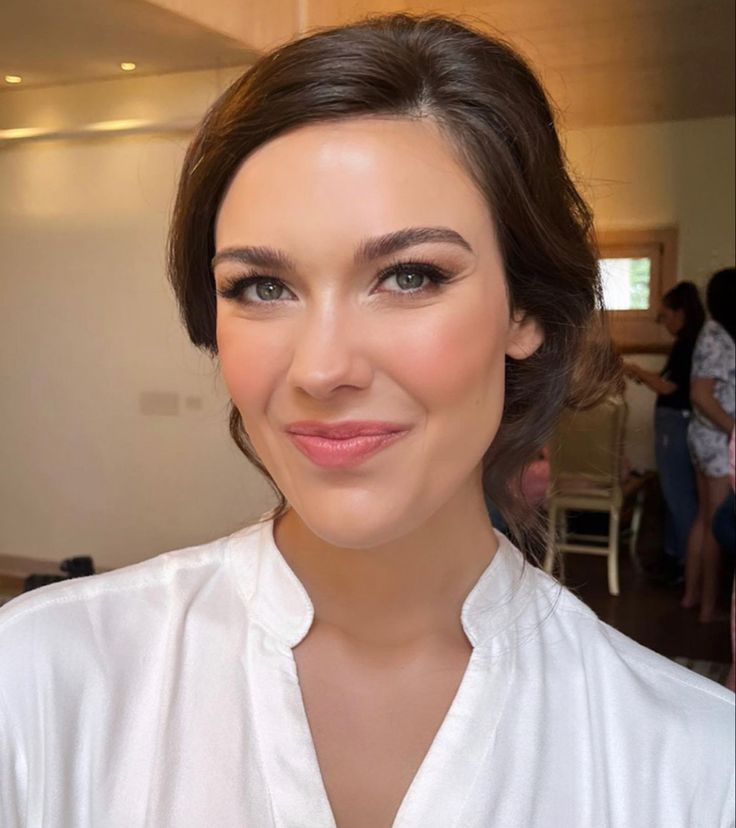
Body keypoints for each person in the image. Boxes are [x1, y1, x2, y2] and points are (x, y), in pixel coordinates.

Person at [1, 15, 733, 828]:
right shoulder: (44, 679)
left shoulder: (691, 762)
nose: (320, 369)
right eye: (261, 287)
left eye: (410, 276)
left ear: (524, 307)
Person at [623, 282, 705, 580]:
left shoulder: (689, 344)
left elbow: (669, 386)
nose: (664, 323)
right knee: (674, 492)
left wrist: (636, 370)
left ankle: (686, 563)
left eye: (665, 316)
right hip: (675, 421)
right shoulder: (687, 343)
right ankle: (675, 557)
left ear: (680, 313)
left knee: (678, 492)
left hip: (676, 423)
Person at [682, 268, 736, 623]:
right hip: (716, 441)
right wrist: (735, 429)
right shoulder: (719, 338)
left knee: (704, 518)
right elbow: (701, 394)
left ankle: (692, 597)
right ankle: (707, 608)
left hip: (705, 437)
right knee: (717, 522)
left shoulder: (711, 333)